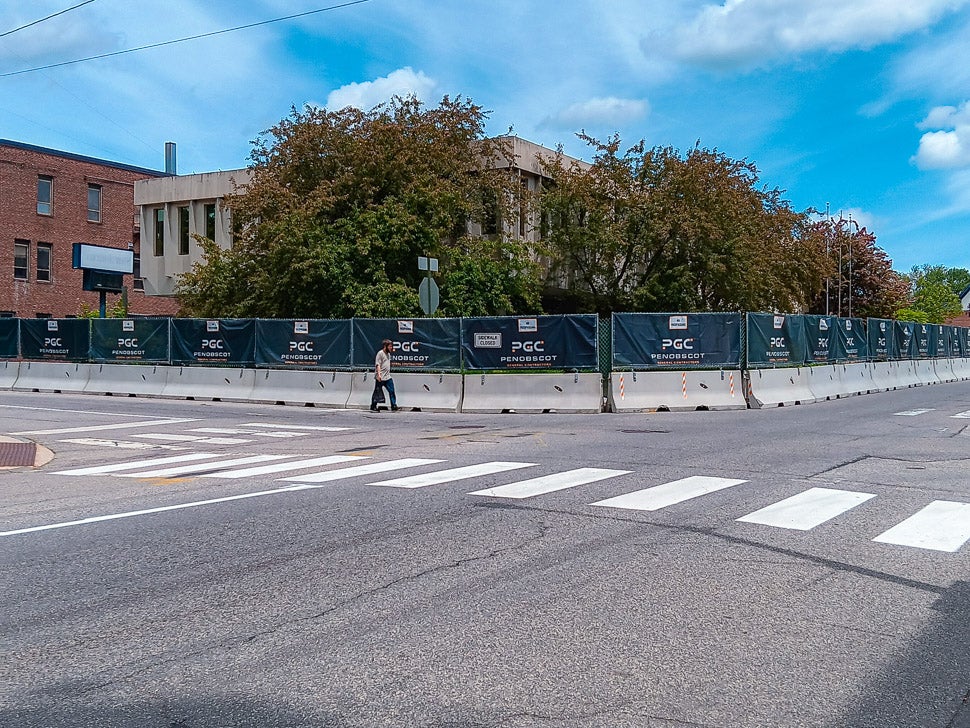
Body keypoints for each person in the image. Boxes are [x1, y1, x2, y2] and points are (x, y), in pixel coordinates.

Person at [371, 339, 399, 412]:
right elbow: (378, 365)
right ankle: (373, 405)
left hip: (387, 377)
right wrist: (379, 375)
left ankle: (393, 405)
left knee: (392, 391)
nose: (391, 348)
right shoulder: (380, 353)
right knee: (377, 392)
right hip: (380, 377)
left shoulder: (388, 354)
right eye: (389, 346)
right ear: (385, 346)